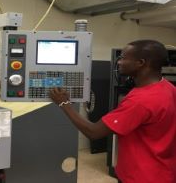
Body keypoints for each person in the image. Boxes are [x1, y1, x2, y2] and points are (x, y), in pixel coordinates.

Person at [50, 40, 176, 183]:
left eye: (123, 57)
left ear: (140, 63)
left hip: (141, 176)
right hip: (164, 171)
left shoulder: (140, 101)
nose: (119, 62)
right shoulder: (168, 88)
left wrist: (63, 103)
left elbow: (94, 132)